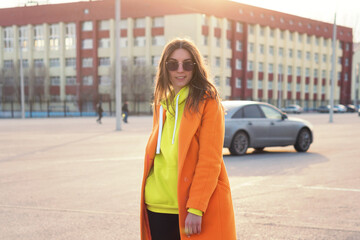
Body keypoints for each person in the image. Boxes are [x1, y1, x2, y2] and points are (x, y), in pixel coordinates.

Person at [140, 38, 236, 240]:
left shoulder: (208, 103)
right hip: (157, 206)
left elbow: (210, 160)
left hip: (189, 208)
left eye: (187, 64)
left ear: (196, 67)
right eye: (173, 64)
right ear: (165, 68)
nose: (180, 70)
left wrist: (196, 208)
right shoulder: (163, 106)